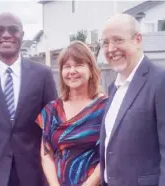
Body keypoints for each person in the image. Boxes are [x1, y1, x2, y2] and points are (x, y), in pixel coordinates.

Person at [99, 14, 165, 186]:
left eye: (118, 40)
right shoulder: (114, 88)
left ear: (138, 40)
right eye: (105, 43)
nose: (111, 48)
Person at [0, 12, 57, 186]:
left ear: (22, 35)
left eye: (13, 30)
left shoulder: (42, 75)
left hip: (33, 173)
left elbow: (51, 127)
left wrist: (49, 175)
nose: (6, 35)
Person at [36, 41, 108, 186]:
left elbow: (108, 154)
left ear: (91, 69)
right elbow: (46, 155)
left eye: (79, 65)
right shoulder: (52, 110)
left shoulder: (106, 107)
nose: (72, 71)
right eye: (67, 66)